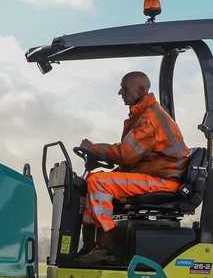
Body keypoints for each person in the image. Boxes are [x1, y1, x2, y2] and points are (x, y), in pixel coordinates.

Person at [77, 71, 190, 263]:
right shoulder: (144, 114)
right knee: (90, 183)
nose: (120, 92)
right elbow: (131, 156)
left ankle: (106, 247)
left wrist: (93, 148)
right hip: (152, 173)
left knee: (99, 182)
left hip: (164, 180)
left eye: (124, 88)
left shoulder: (150, 119)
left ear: (141, 89)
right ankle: (90, 245)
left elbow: (125, 155)